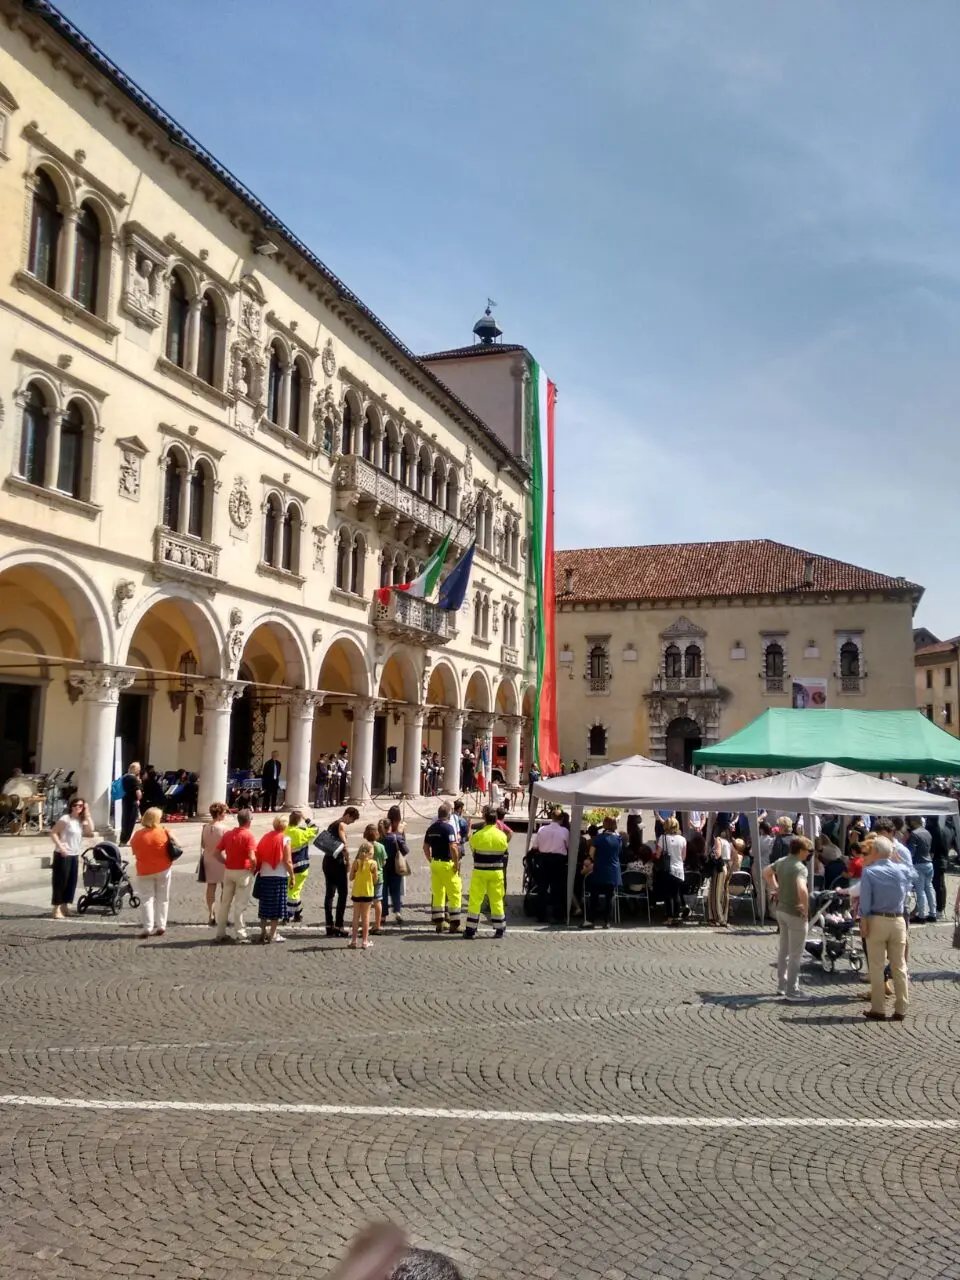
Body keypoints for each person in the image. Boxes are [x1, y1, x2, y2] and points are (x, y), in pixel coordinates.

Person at [859, 835, 914, 1021]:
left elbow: (865, 901)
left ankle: (878, 1008)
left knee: (876, 966)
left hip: (877, 919)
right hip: (898, 920)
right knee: (900, 965)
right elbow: (912, 877)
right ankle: (901, 1008)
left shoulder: (869, 871)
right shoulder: (902, 870)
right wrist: (897, 861)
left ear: (874, 852)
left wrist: (863, 921)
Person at [763, 836, 813, 1000]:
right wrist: (806, 908)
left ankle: (781, 985)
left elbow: (766, 872)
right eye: (808, 851)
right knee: (795, 954)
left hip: (781, 910)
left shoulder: (782, 861)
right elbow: (802, 889)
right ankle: (792, 990)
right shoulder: (800, 867)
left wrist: (776, 888)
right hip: (794, 912)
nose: (809, 854)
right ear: (801, 851)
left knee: (784, 950)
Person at [129, 806, 176, 939]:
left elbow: (134, 852)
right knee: (163, 899)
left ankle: (147, 927)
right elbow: (177, 846)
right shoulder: (164, 831)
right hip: (163, 868)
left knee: (146, 899)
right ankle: (161, 925)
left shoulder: (137, 835)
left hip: (144, 870)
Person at [464, 807, 509, 939]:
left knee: (475, 900)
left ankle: (471, 930)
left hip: (480, 872)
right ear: (496, 820)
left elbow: (473, 849)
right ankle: (500, 929)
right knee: (497, 900)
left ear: (484, 819)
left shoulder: (477, 835)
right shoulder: (502, 836)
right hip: (496, 872)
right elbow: (504, 849)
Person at [214, 808, 257, 944]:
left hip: (229, 871)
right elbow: (252, 856)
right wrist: (253, 867)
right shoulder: (248, 835)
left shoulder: (228, 834)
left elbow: (216, 853)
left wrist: (225, 861)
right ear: (249, 821)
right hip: (243, 872)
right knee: (240, 904)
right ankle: (240, 934)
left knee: (225, 903)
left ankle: (220, 932)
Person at [49, 796, 94, 918]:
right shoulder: (65, 819)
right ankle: (56, 908)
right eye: (77, 805)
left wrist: (88, 813)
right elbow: (53, 832)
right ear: (71, 807)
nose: (79, 808)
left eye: (81, 806)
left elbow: (91, 830)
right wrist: (61, 847)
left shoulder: (80, 820)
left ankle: (65, 906)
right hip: (63, 853)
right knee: (60, 881)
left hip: (74, 853)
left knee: (71, 881)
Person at [255, 815, 293, 944]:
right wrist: (292, 875)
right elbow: (287, 861)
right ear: (285, 826)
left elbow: (258, 853)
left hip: (265, 874)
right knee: (276, 907)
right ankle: (272, 934)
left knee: (265, 905)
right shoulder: (285, 839)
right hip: (279, 875)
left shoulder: (265, 837)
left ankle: (263, 932)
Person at [423, 803, 461, 933]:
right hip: (446, 863)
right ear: (449, 815)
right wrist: (456, 863)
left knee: (438, 893)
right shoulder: (449, 828)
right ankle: (454, 923)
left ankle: (439, 922)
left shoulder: (431, 828)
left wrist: (430, 859)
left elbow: (425, 846)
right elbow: (453, 847)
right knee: (454, 893)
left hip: (435, 863)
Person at [323, 806, 359, 937]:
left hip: (327, 861)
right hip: (337, 863)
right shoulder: (341, 825)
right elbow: (344, 846)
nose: (351, 822)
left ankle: (329, 925)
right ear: (348, 815)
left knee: (329, 895)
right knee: (343, 893)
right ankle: (339, 925)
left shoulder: (332, 824)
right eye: (352, 820)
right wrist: (348, 861)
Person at [530, 808, 570, 925]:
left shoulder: (542, 829)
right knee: (558, 888)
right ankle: (557, 915)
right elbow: (568, 846)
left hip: (544, 859)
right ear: (562, 818)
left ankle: (541, 914)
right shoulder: (564, 831)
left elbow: (535, 846)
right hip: (558, 860)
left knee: (542, 887)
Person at [582, 815, 623, 929]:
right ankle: (607, 921)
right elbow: (619, 853)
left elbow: (591, 854)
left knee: (594, 896)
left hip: (600, 869)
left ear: (605, 824)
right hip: (613, 870)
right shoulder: (618, 839)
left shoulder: (599, 839)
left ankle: (590, 920)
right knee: (609, 897)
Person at [285, 808, 318, 923]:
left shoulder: (285, 831)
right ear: (299, 821)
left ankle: (296, 913)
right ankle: (290, 913)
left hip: (287, 866)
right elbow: (315, 828)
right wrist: (306, 818)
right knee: (294, 892)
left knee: (290, 890)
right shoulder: (301, 833)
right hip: (301, 866)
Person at [200, 801, 229, 926]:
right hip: (221, 859)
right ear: (219, 814)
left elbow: (203, 844)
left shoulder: (205, 827)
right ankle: (223, 915)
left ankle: (211, 914)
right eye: (224, 812)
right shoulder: (224, 829)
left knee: (210, 887)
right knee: (225, 888)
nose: (225, 814)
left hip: (208, 858)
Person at [379, 807, 409, 926]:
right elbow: (405, 850)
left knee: (383, 891)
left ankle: (383, 915)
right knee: (396, 890)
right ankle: (397, 912)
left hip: (383, 866)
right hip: (396, 865)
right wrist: (400, 834)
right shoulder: (397, 835)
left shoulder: (381, 837)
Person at [655, 816, 687, 926]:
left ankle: (669, 917)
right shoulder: (682, 839)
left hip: (667, 869)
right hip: (679, 869)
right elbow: (683, 857)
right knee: (676, 893)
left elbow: (658, 855)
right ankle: (676, 917)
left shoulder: (663, 838)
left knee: (668, 895)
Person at [348, 839, 379, 949]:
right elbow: (375, 880)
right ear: (370, 853)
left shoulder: (356, 862)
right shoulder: (373, 864)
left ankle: (354, 941)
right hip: (367, 892)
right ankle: (365, 941)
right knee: (366, 917)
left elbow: (351, 877)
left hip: (357, 892)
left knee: (355, 916)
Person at [906, 816, 935, 923]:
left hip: (919, 864)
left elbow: (912, 851)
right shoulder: (928, 832)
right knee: (929, 888)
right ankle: (933, 913)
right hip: (929, 863)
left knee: (920, 891)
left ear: (914, 822)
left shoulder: (914, 834)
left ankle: (921, 915)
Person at [707, 823, 733, 926]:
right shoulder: (729, 841)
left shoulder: (718, 840)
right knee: (724, 893)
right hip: (727, 866)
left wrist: (709, 854)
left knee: (716, 893)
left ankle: (718, 918)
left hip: (720, 867)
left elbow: (717, 854)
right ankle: (723, 917)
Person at [364, 822, 386, 934]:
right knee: (378, 900)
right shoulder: (381, 846)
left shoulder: (364, 847)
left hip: (367, 877)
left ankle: (365, 924)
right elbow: (384, 861)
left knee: (366, 901)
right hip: (379, 876)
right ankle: (377, 925)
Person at [118, 762, 142, 845]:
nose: (139, 770)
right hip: (132, 802)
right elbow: (138, 793)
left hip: (125, 800)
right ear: (135, 769)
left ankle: (122, 839)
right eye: (139, 768)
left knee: (125, 820)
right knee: (131, 822)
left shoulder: (124, 777)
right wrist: (139, 798)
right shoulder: (133, 779)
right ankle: (125, 840)